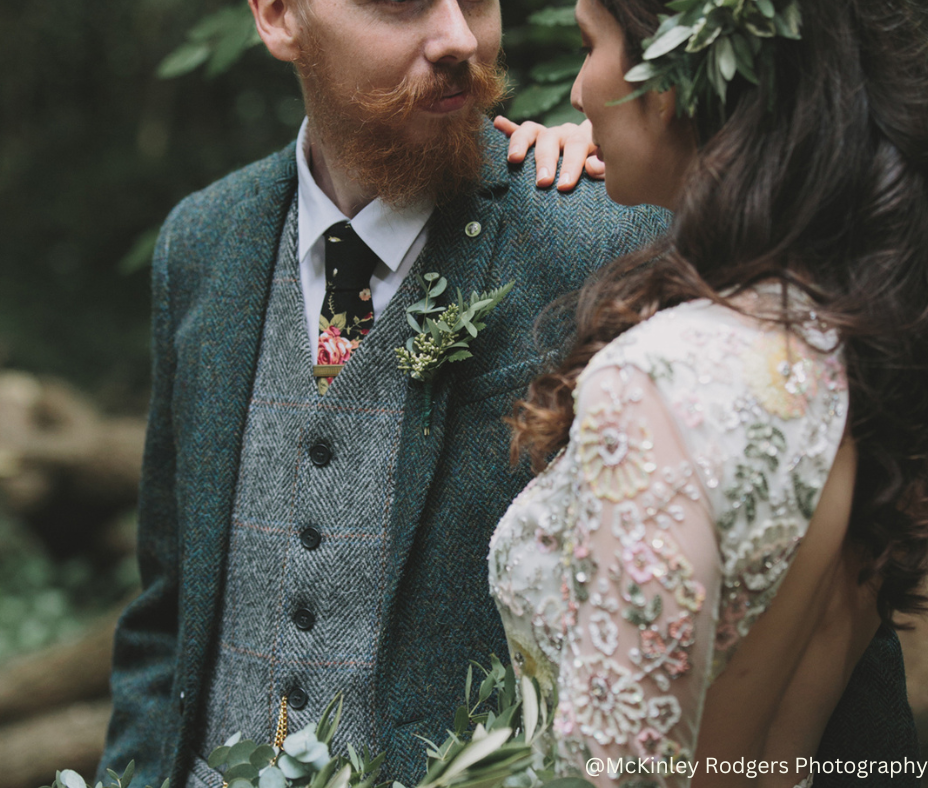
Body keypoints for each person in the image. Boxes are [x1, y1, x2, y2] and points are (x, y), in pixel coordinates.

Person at [96, 2, 669, 788]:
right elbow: (166, 616)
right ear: (278, 17)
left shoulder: (601, 242)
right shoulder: (200, 245)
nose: (460, 38)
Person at [492, 0, 928, 786]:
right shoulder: (857, 339)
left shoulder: (654, 382)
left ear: (665, 84)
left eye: (589, 46)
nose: (578, 92)